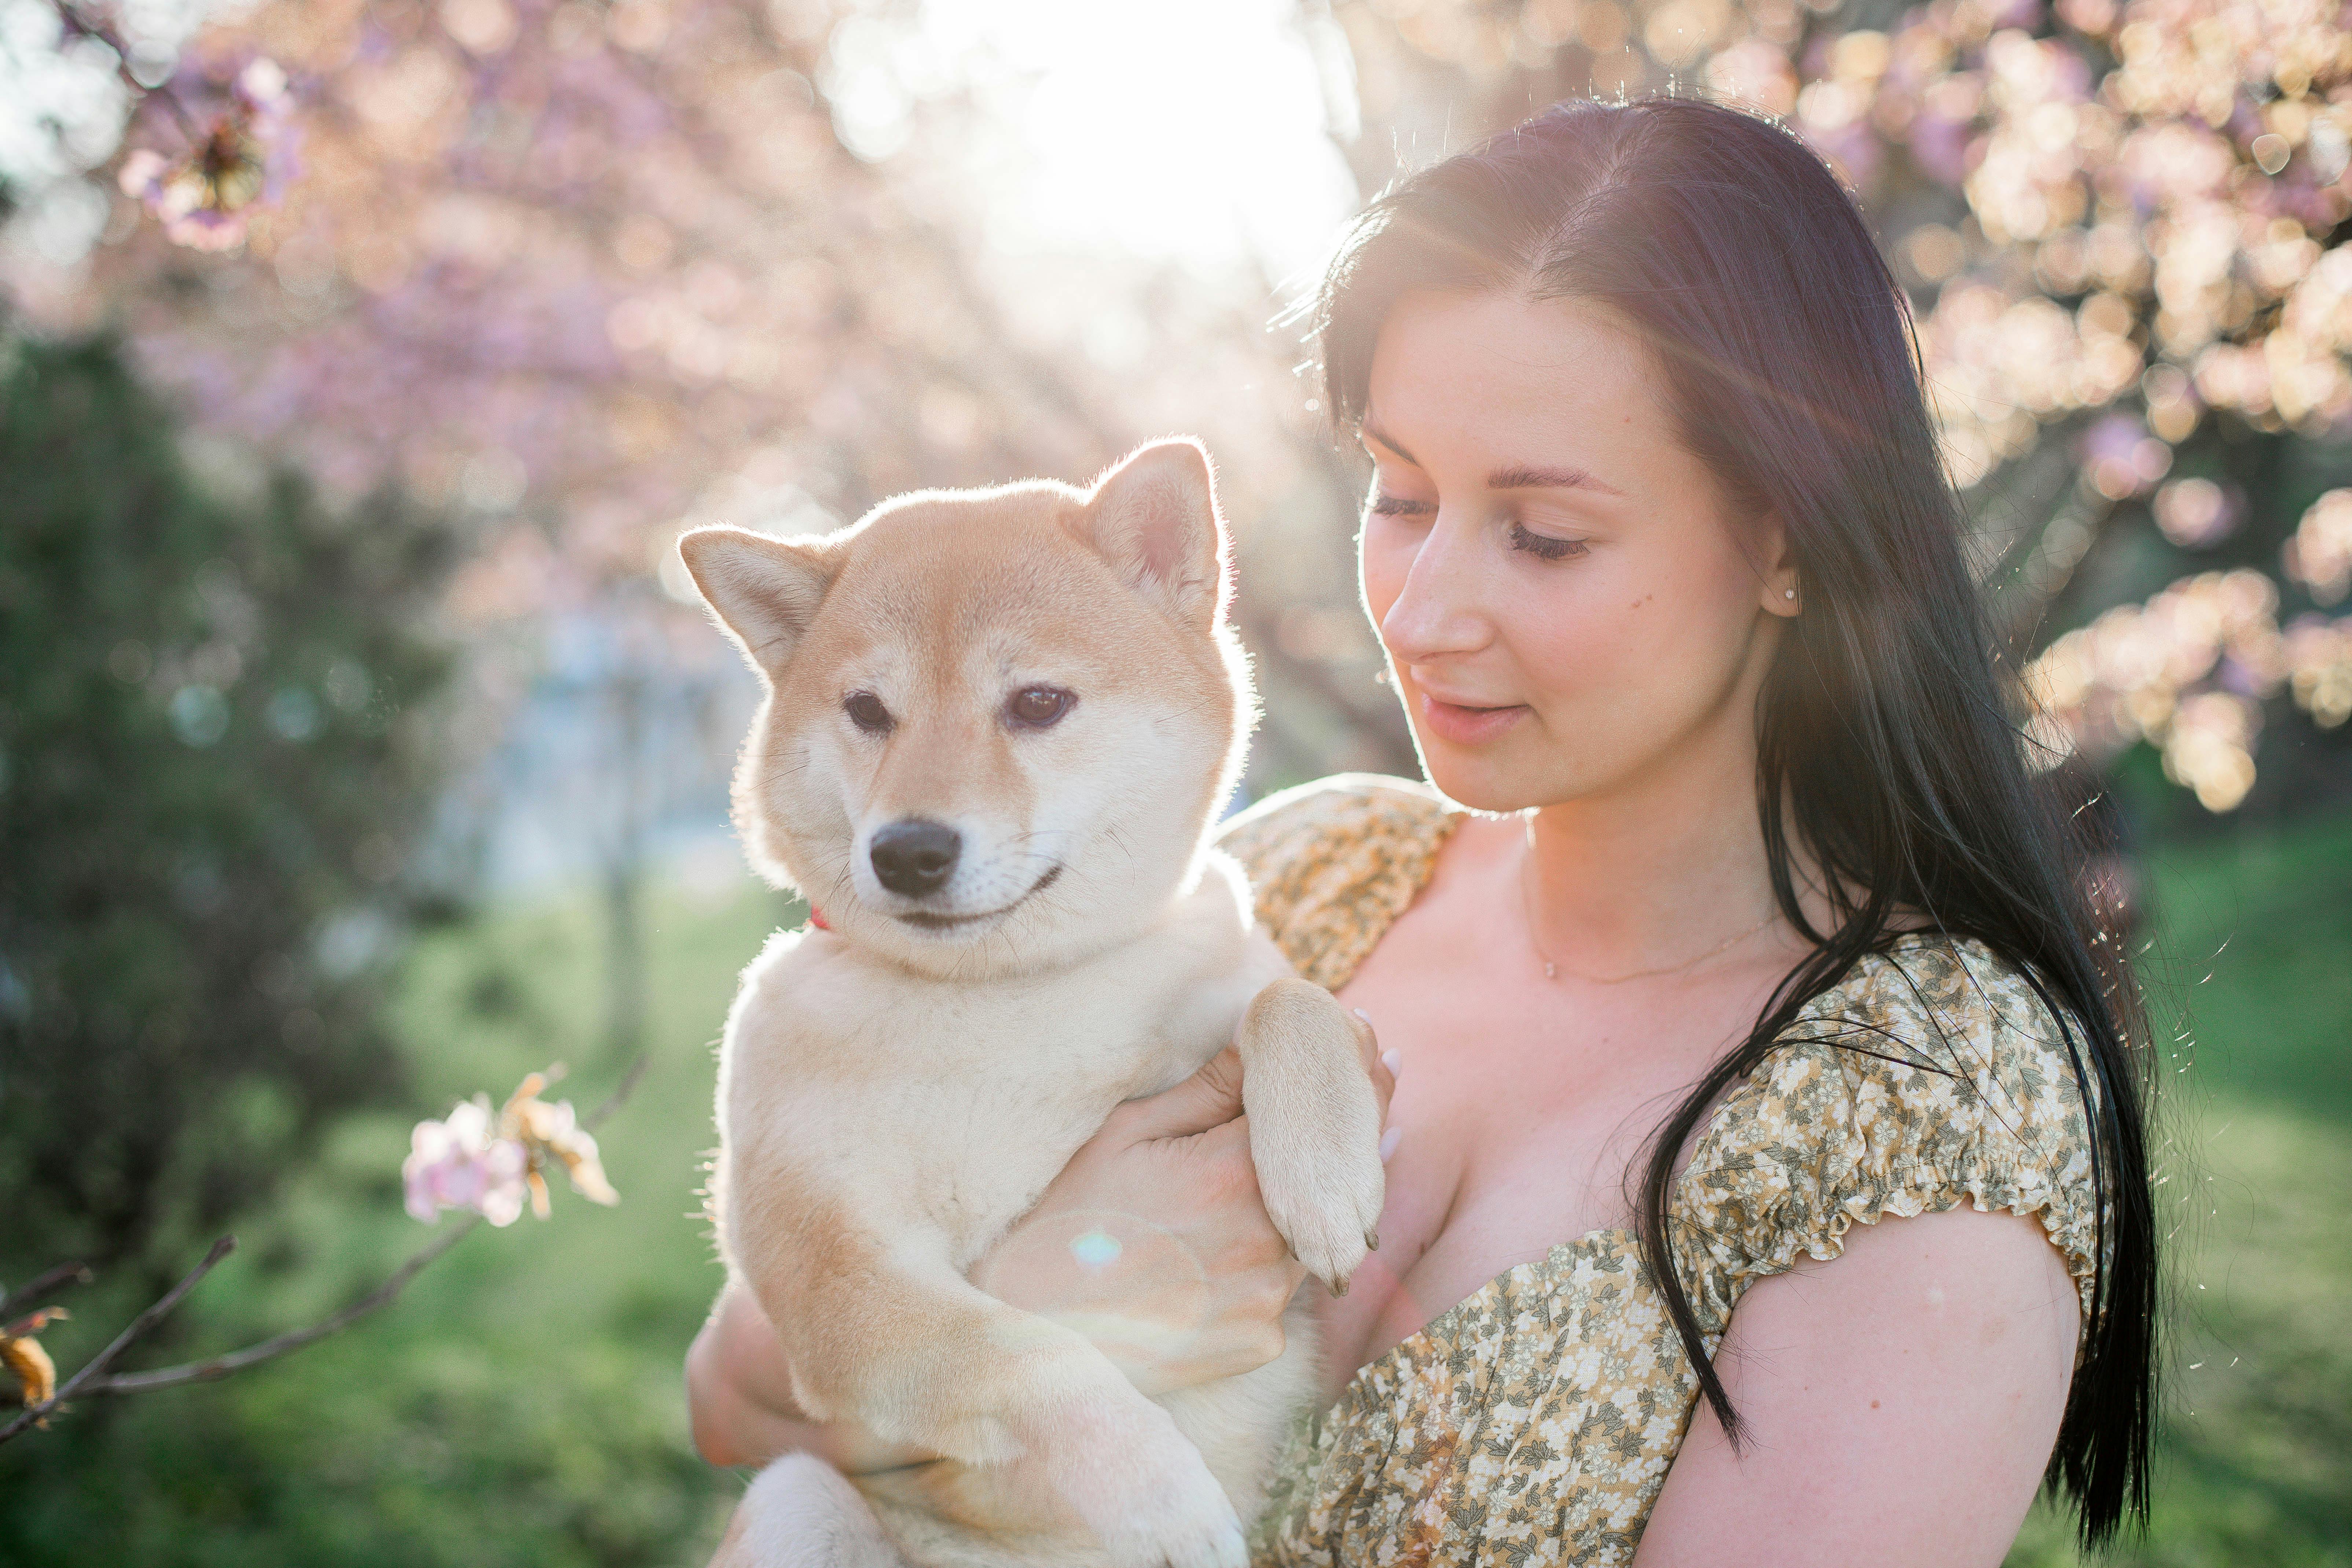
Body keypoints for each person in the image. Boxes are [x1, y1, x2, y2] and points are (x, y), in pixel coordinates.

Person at [685, 96, 2158, 1565]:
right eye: (1397, 494)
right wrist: (1044, 1298)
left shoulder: (1916, 1108)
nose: (1421, 609)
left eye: (1542, 534)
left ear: (1783, 539)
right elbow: (735, 1386)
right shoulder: (1303, 873)